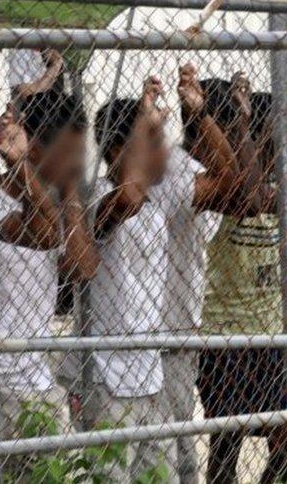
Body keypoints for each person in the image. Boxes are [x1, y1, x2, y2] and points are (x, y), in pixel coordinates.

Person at [198, 23, 287, 484]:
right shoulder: (231, 179)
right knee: (227, 440)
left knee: (286, 434)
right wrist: (283, 85)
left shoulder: (284, 169)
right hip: (227, 333)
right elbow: (250, 191)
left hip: (274, 331)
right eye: (276, 125)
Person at [87, 74, 236, 482]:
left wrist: (201, 116)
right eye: (151, 143)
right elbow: (127, 199)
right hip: (108, 380)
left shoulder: (160, 195)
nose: (162, 153)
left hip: (149, 376)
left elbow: (227, 178)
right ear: (119, 150)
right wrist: (145, 125)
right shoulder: (98, 197)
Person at [0, 93, 99, 463]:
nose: (79, 163)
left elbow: (83, 268)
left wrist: (69, 191)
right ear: (35, 148)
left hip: (36, 377)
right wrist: (24, 166)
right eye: (71, 153)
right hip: (2, 380)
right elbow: (43, 232)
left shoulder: (60, 201)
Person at [155, 64, 245, 484]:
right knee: (175, 464)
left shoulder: (192, 171)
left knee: (180, 453)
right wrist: (203, 114)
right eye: (228, 132)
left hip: (179, 329)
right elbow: (233, 181)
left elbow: (242, 188)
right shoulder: (175, 169)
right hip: (158, 334)